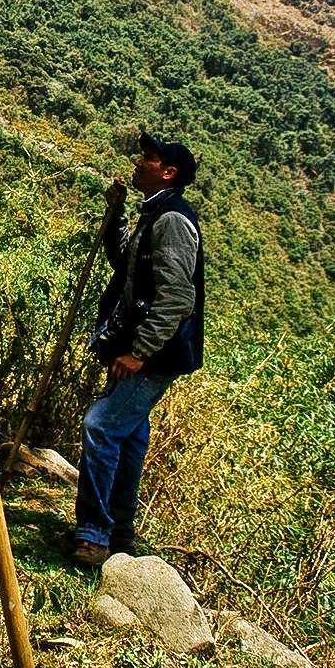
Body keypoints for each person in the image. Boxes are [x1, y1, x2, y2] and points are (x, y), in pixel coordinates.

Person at [67, 132, 205, 569]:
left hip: (153, 354)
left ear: (168, 172)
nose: (139, 161)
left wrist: (140, 352)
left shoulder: (172, 221)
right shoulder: (151, 214)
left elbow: (177, 298)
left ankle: (93, 535)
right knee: (128, 438)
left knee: (102, 426)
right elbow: (121, 260)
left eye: (148, 158)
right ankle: (120, 531)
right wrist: (114, 212)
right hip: (138, 348)